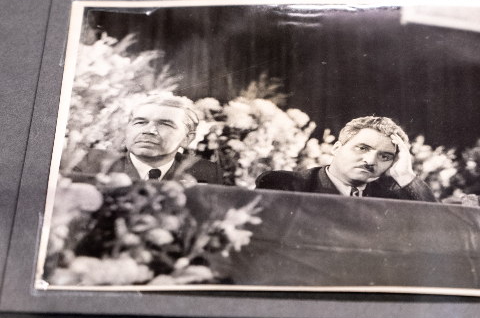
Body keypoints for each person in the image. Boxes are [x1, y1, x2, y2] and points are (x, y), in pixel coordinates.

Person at [256, 116, 437, 202]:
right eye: (363, 148)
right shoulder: (285, 185)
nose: (370, 161)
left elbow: (441, 227)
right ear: (336, 148)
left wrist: (405, 175)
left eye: (384, 156)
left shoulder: (392, 197)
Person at [73, 94, 222, 184]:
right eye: (140, 122)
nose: (149, 131)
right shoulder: (90, 163)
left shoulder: (206, 171)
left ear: (187, 138)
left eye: (165, 124)